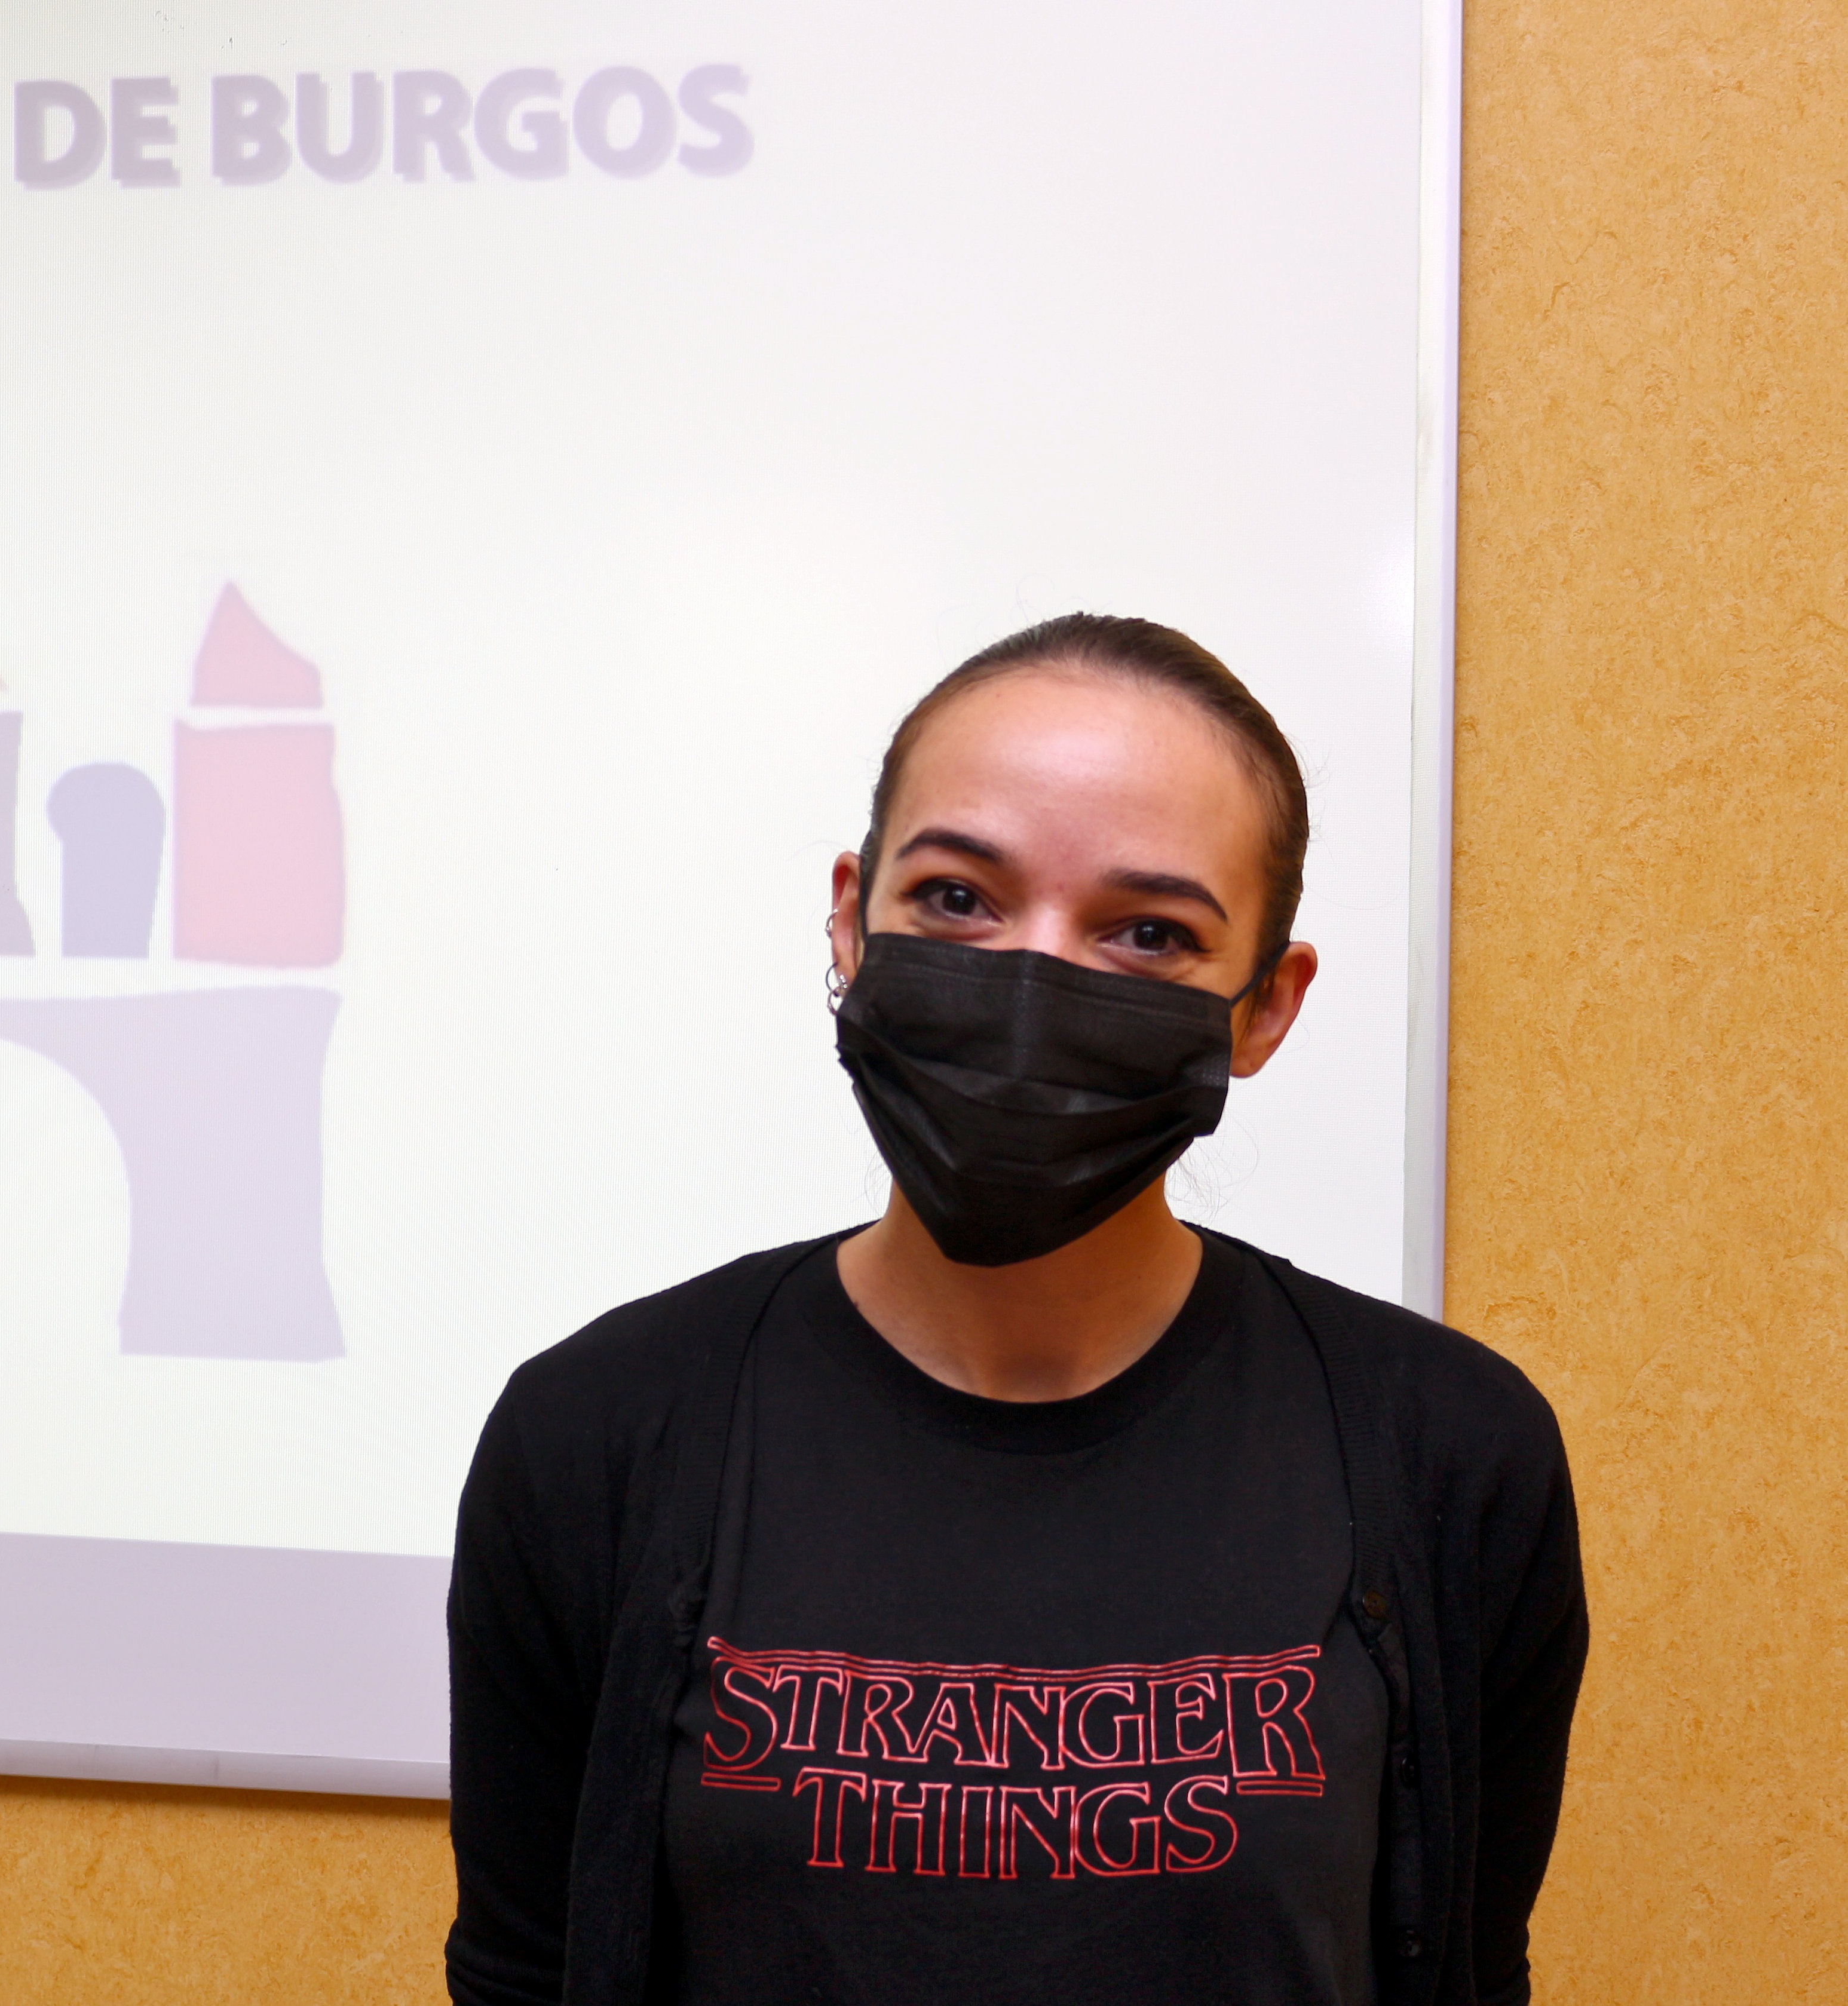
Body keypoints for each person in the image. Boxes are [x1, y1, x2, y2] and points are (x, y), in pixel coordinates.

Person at [446, 615, 1586, 2006]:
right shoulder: (593, 1433)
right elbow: (522, 1971)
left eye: (1148, 932)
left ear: (1263, 1007)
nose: (1033, 982)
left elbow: (1465, 1967)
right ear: (848, 921)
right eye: (956, 898)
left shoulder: (1453, 1455)